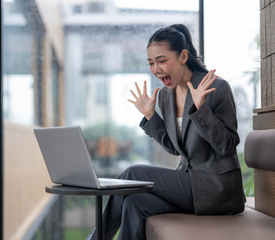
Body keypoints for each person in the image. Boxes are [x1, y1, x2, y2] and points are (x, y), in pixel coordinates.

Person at [87, 24, 245, 240]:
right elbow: (175, 148)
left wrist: (202, 110)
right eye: (151, 63)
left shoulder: (215, 87)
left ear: (183, 56)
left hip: (218, 188)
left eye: (162, 61)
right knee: (135, 203)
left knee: (133, 173)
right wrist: (152, 118)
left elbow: (227, 145)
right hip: (190, 183)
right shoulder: (165, 96)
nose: (156, 69)